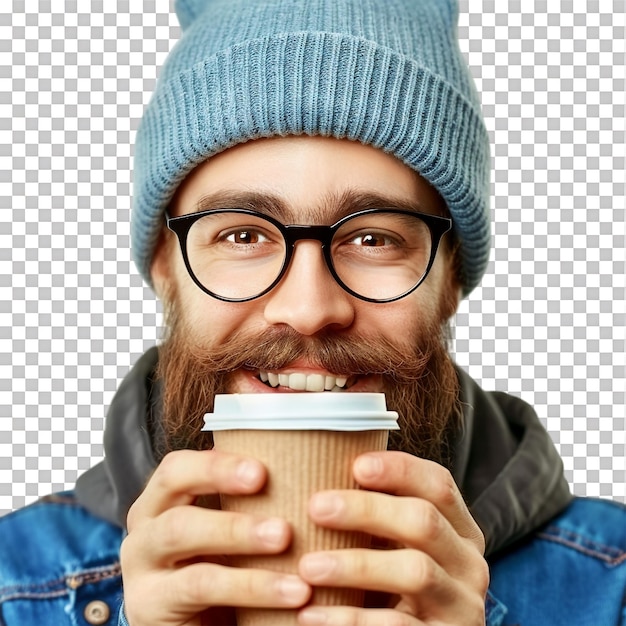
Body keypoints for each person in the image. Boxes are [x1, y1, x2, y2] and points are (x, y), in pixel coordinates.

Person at [1, 0, 625, 625]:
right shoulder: (14, 587)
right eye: (243, 236)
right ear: (165, 265)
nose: (306, 309)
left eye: (374, 238)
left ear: (451, 276)